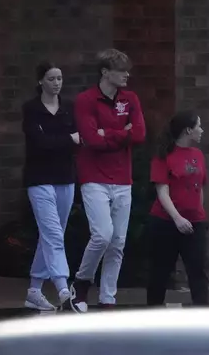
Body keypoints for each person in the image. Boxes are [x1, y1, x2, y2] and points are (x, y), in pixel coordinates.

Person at [70, 49, 146, 312]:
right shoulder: (85, 100)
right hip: (94, 177)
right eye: (121, 70)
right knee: (102, 235)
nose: (127, 74)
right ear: (105, 72)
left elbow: (139, 134)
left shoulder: (131, 98)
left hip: (123, 177)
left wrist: (109, 134)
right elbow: (92, 139)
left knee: (118, 242)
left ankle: (107, 299)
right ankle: (81, 283)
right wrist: (121, 133)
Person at [21, 62, 81, 311]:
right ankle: (63, 289)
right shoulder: (31, 109)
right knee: (53, 234)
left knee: (51, 235)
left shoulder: (68, 108)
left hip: (65, 178)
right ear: (40, 82)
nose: (57, 83)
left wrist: (64, 141)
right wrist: (68, 139)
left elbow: (79, 139)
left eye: (59, 78)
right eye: (51, 78)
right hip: (39, 179)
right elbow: (40, 143)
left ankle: (34, 290)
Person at [146, 111, 209, 306]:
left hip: (195, 222)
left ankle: (203, 314)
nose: (202, 130)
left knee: (198, 271)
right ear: (188, 130)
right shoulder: (164, 155)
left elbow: (200, 187)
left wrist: (199, 214)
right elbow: (162, 192)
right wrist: (177, 218)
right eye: (198, 126)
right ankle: (152, 313)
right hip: (166, 221)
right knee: (161, 272)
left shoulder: (198, 155)